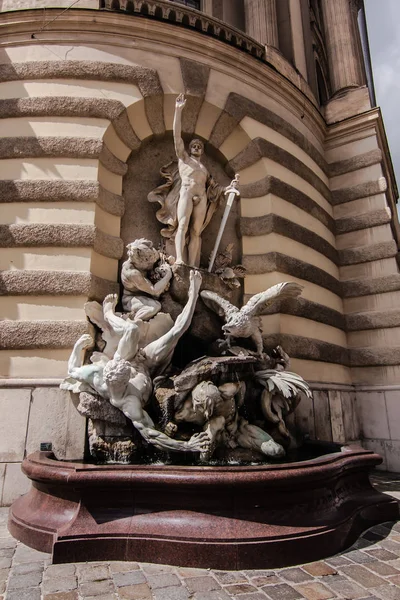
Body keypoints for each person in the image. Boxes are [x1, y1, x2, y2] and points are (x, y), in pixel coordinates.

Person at [63, 270, 210, 454]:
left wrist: (77, 347)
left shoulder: (100, 373)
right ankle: (193, 294)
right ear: (123, 381)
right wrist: (187, 447)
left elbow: (73, 369)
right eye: (128, 375)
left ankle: (109, 314)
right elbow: (152, 435)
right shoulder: (128, 403)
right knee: (175, 332)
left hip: (128, 357)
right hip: (148, 365)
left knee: (131, 330)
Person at [148, 94, 225, 267]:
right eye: (194, 146)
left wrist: (229, 188)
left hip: (202, 197)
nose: (196, 148)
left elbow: (215, 188)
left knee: (196, 232)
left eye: (199, 146)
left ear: (202, 151)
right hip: (186, 193)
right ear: (189, 149)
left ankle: (193, 264)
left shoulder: (204, 169)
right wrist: (178, 111)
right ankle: (180, 259)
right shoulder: (183, 158)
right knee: (182, 225)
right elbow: (177, 137)